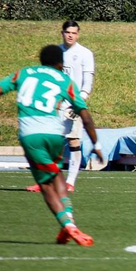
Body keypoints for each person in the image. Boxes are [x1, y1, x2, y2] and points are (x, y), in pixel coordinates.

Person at [0, 44, 105, 247]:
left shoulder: (24, 73)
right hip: (55, 134)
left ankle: (69, 227)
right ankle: (68, 222)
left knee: (45, 186)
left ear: (42, 61)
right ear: (61, 63)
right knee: (57, 175)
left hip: (32, 135)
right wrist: (97, 144)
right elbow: (85, 115)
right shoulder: (64, 79)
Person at [58, 19, 95, 190]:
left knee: (73, 141)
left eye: (74, 33)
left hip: (73, 105)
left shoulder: (85, 53)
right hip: (55, 105)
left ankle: (70, 181)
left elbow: (87, 82)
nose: (70, 35)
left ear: (78, 34)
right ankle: (47, 180)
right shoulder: (56, 52)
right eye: (68, 32)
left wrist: (79, 103)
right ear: (62, 33)